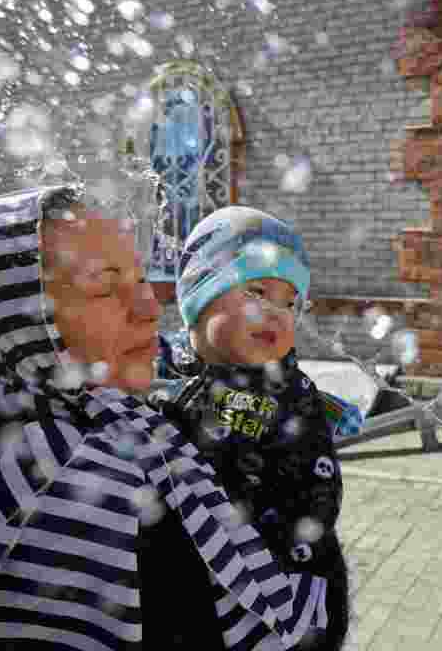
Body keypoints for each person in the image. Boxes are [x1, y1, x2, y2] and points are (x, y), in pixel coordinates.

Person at [0, 186, 334, 650]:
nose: (149, 309)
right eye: (102, 284)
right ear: (10, 316)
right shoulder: (65, 491)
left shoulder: (106, 418)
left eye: (141, 281)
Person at [151, 206, 350, 650]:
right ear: (198, 298)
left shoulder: (291, 395)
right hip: (190, 592)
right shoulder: (166, 381)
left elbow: (319, 494)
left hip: (277, 594)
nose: (277, 314)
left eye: (289, 302)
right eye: (257, 291)